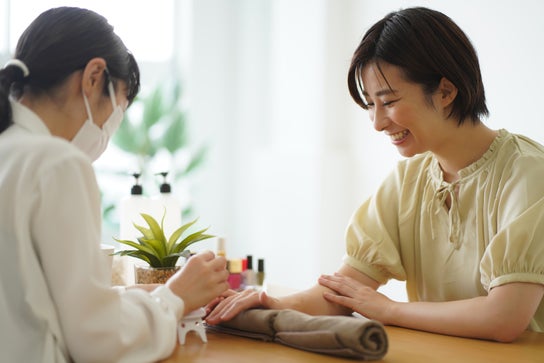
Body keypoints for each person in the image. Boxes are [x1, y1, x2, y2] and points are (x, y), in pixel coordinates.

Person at [206, 6, 544, 343]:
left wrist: (389, 310)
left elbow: (504, 318)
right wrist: (270, 303)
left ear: (445, 92)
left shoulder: (528, 173)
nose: (378, 122)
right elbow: (344, 292)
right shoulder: (407, 181)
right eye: (370, 104)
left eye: (389, 101)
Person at [0, 7, 229, 363]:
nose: (109, 130)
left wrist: (138, 296)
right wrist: (175, 297)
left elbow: (34, 299)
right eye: (117, 110)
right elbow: (97, 340)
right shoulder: (56, 163)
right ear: (94, 77)